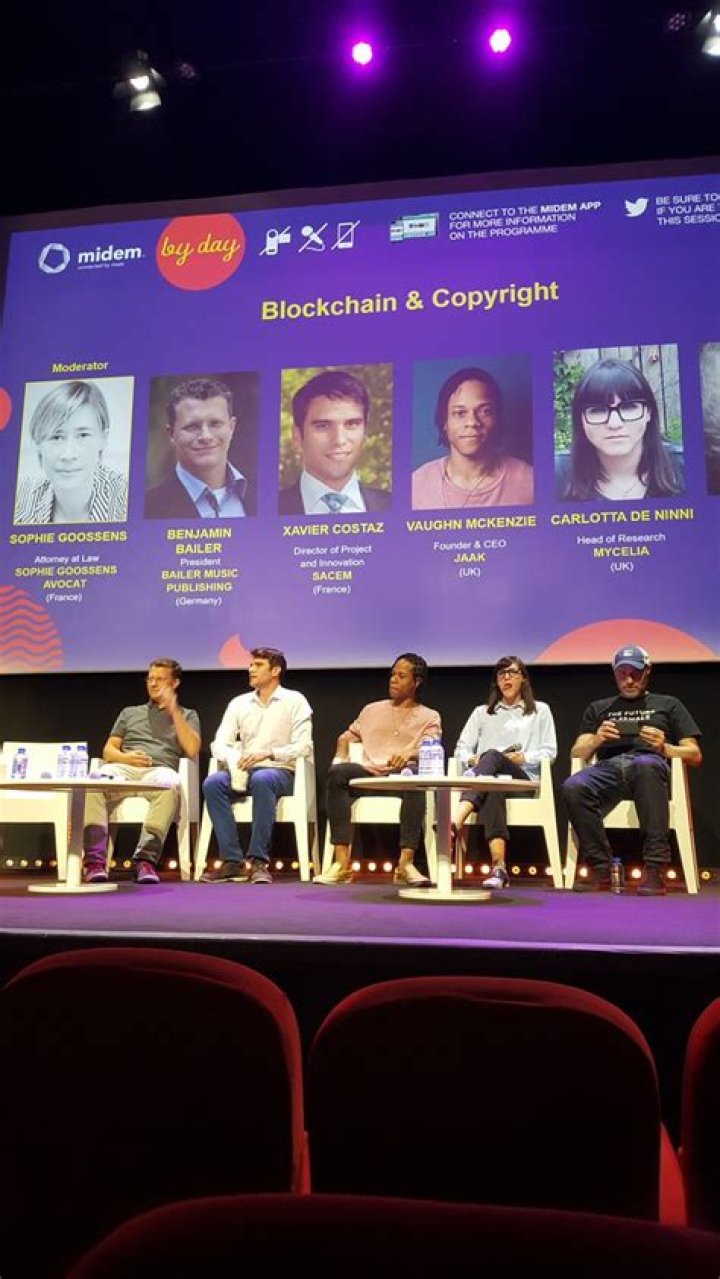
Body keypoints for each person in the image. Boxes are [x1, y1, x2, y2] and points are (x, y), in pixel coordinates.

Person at [563, 644, 702, 896]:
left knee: (644, 765)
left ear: (647, 671)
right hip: (609, 769)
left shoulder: (668, 704)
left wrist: (665, 747)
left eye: (635, 673)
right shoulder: (599, 708)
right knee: (573, 786)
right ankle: (601, 866)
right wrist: (597, 739)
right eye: (622, 674)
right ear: (614, 674)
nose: (628, 680)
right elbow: (577, 752)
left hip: (649, 763)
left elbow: (694, 754)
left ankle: (655, 867)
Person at [316, 653, 442, 886]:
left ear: (416, 682)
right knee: (337, 774)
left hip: (401, 778)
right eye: (393, 674)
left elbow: (431, 746)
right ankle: (341, 864)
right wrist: (340, 756)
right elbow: (346, 737)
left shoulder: (429, 716)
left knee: (414, 781)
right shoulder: (371, 710)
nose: (393, 679)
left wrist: (409, 754)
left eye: (401, 676)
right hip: (370, 775)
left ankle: (405, 864)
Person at [82, 658, 201, 884]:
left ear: (175, 683)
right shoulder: (130, 713)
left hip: (158, 771)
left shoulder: (187, 715)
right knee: (94, 781)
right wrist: (125, 758)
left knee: (169, 784)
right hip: (124, 769)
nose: (153, 684)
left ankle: (145, 860)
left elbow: (193, 749)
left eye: (160, 679)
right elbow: (108, 749)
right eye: (150, 679)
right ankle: (94, 862)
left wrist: (174, 711)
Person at [200, 647, 313, 884]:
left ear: (275, 670)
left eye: (258, 665)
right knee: (212, 783)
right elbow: (219, 743)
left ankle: (259, 860)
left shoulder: (295, 700)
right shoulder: (239, 703)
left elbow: (304, 746)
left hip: (280, 772)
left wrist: (269, 753)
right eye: (251, 664)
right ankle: (233, 861)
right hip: (244, 770)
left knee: (263, 779)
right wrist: (234, 758)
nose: (251, 669)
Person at [453, 656, 557, 889]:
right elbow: (461, 750)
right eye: (501, 674)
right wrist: (472, 759)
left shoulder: (540, 711)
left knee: (493, 756)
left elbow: (550, 752)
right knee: (492, 783)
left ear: (523, 679)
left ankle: (457, 818)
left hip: (523, 781)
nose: (506, 678)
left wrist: (524, 758)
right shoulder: (481, 713)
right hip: (491, 783)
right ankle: (499, 868)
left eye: (512, 672)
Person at [557, 357, 685, 501]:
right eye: (598, 410)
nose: (614, 423)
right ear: (580, 418)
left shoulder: (688, 467)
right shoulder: (553, 475)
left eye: (628, 407)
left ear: (648, 412)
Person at [411, 366, 533, 510]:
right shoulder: (417, 485)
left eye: (485, 411)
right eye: (460, 413)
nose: (472, 422)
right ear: (444, 421)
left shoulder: (528, 480)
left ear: (497, 418)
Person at [14, 380, 128, 524]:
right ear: (38, 443)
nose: (68, 455)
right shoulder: (19, 498)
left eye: (83, 435)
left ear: (103, 439)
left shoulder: (125, 496)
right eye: (56, 437)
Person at [279, 369, 391, 515]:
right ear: (297, 437)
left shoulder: (393, 504)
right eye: (323, 426)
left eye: (351, 424)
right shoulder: (267, 508)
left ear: (365, 432)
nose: (339, 440)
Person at [145, 377, 254, 518]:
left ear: (231, 428)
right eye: (192, 427)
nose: (205, 436)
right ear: (171, 434)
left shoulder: (266, 498)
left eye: (215, 424)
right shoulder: (147, 508)